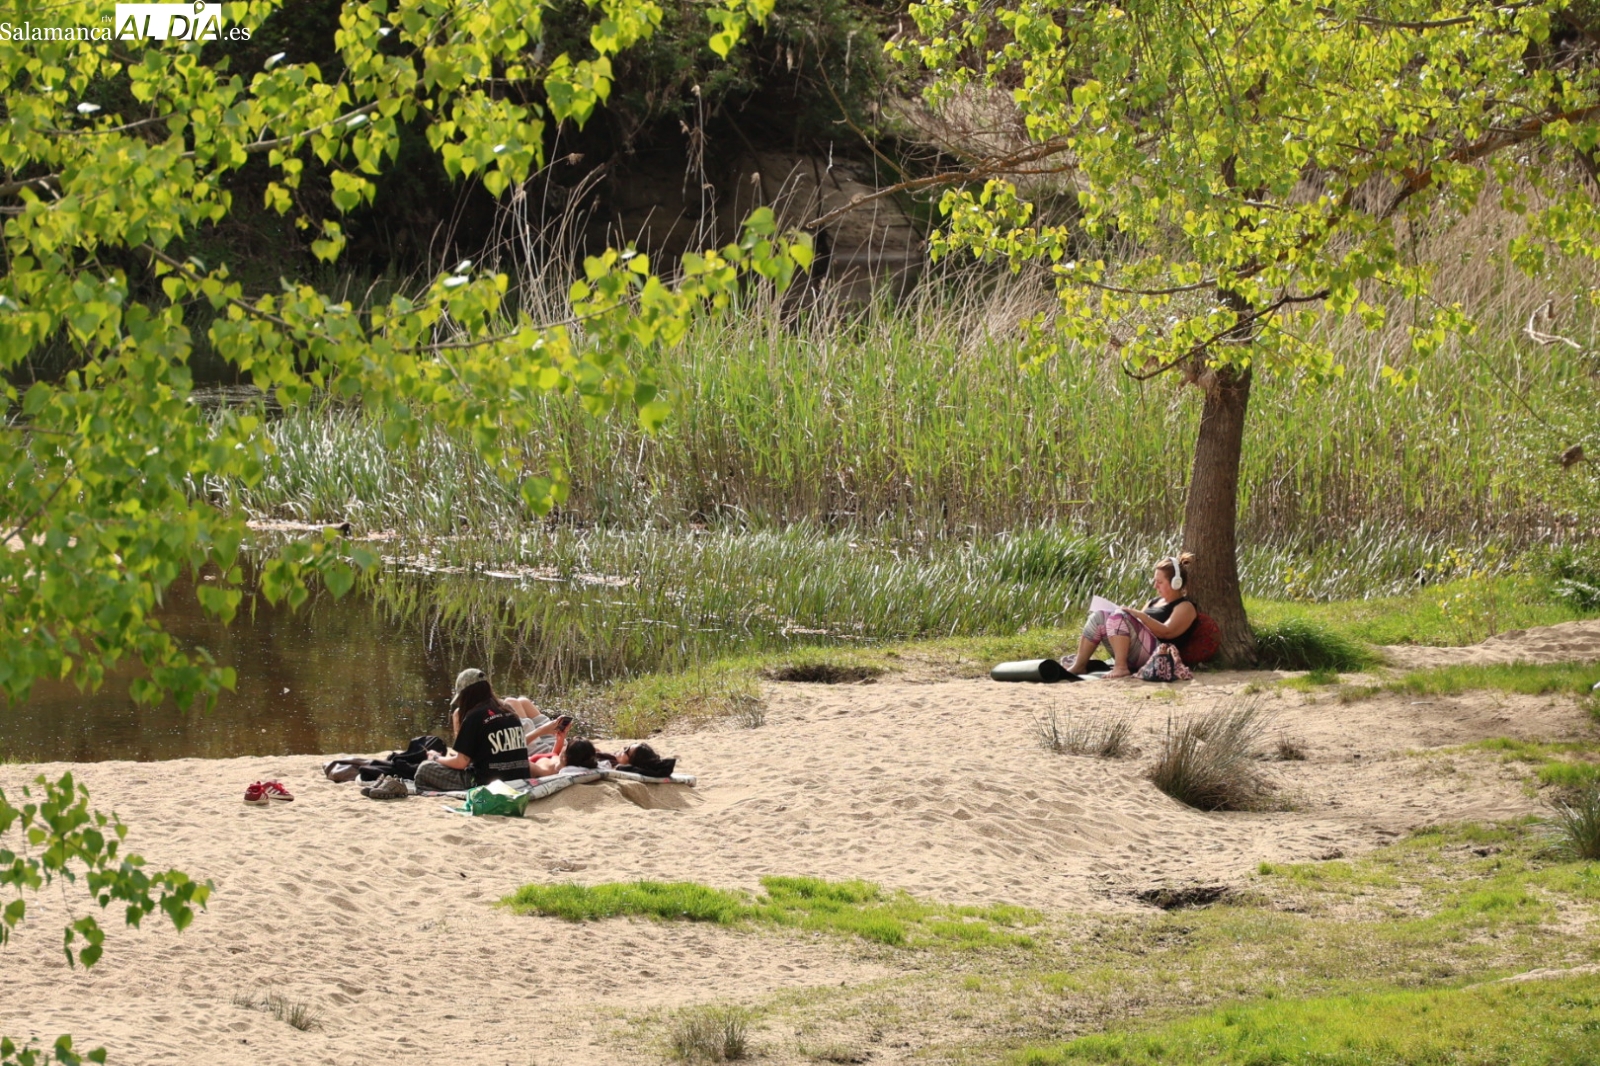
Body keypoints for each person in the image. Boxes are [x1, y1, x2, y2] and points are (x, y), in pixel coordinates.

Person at [1066, 553, 1198, 679]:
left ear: (1176, 583)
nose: (1155, 586)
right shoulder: (1153, 602)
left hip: (1159, 655)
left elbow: (1167, 632)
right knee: (1099, 616)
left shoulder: (1185, 606)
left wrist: (1138, 614)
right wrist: (1129, 614)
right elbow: (1136, 625)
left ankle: (1120, 667)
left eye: (1160, 582)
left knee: (1119, 616)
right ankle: (1079, 665)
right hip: (1137, 651)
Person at [415, 668, 547, 792]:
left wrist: (436, 757)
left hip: (486, 781)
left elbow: (461, 763)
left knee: (424, 769)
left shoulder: (474, 716)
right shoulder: (508, 709)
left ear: (466, 695)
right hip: (520, 776)